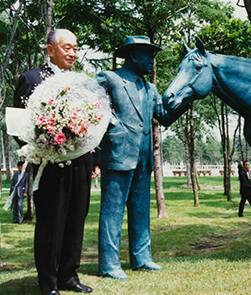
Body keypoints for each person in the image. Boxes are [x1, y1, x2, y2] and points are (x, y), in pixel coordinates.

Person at [96, 36, 188, 280]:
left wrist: (187, 100)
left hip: (143, 159)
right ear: (134, 55)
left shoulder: (150, 88)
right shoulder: (109, 78)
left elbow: (164, 117)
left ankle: (142, 257)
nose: (152, 61)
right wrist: (113, 126)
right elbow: (93, 108)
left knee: (140, 210)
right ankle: (109, 264)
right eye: (149, 56)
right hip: (117, 154)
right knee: (112, 211)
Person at [13, 29, 93, 295]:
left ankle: (69, 276)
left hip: (80, 160)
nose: (73, 53)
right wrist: (37, 150)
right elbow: (18, 125)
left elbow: (95, 121)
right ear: (50, 50)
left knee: (76, 219)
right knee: (52, 222)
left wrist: (96, 159)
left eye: (75, 48)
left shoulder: (82, 82)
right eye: (67, 47)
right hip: (49, 163)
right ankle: (48, 282)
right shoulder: (31, 78)